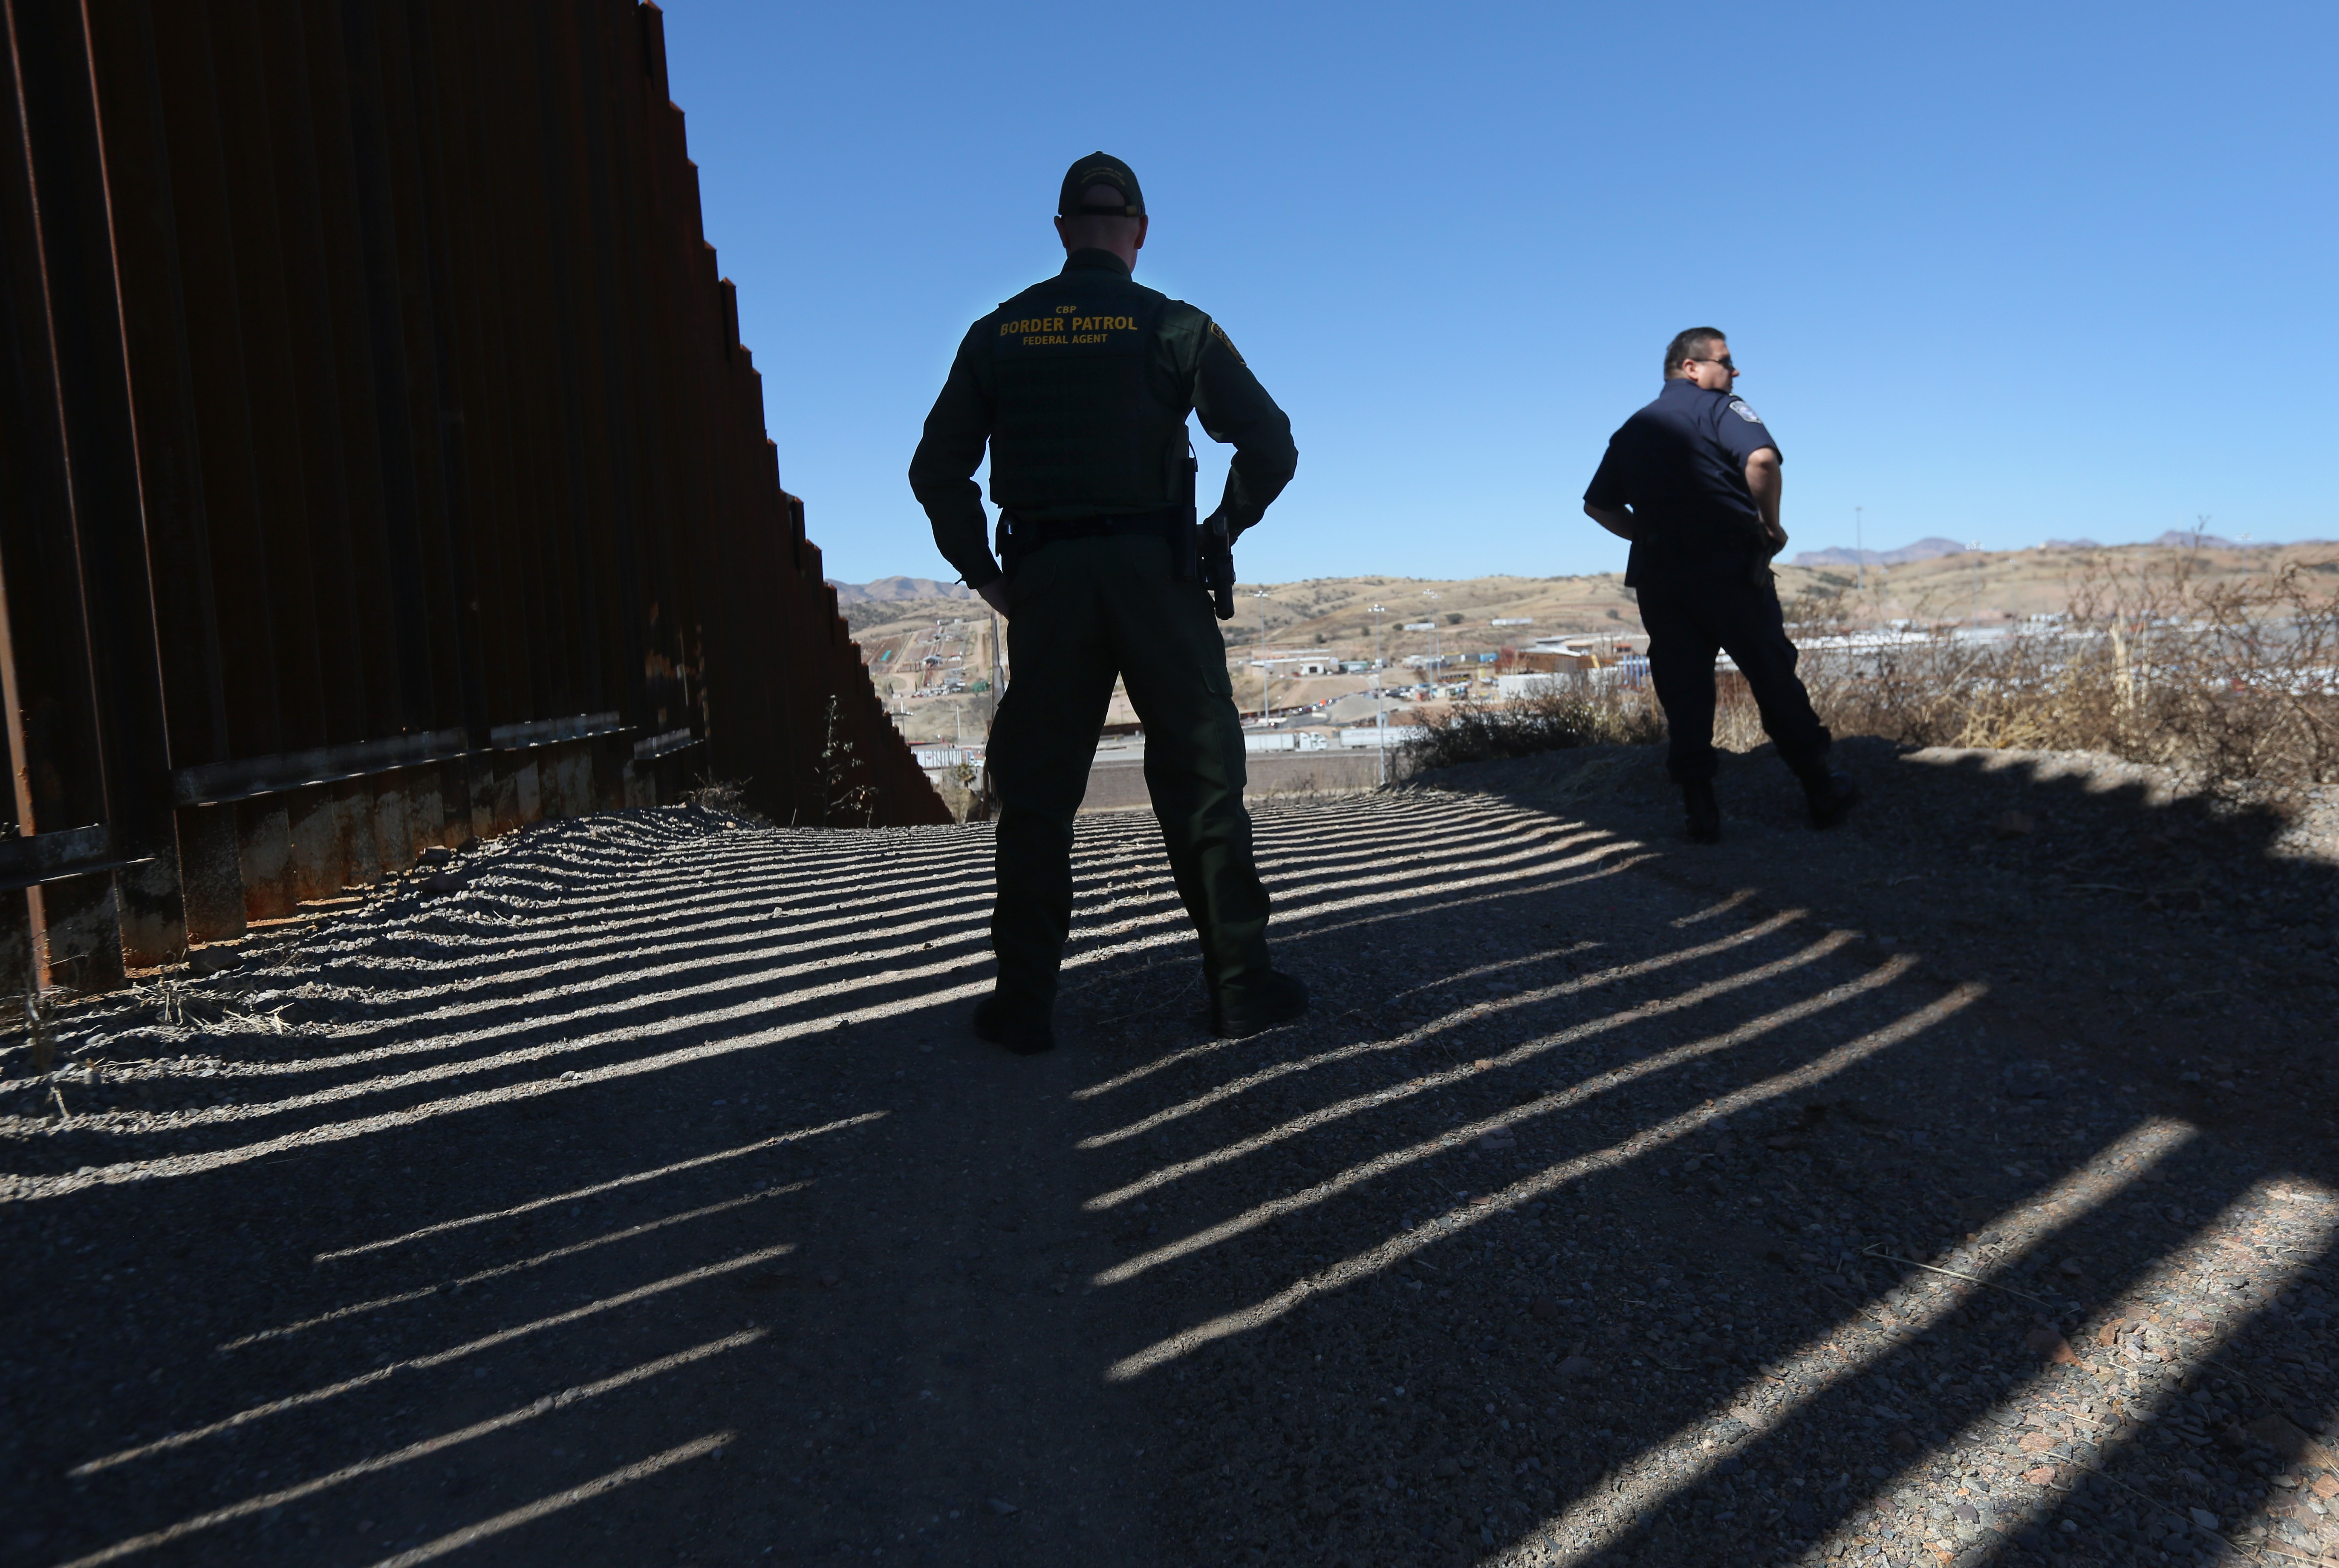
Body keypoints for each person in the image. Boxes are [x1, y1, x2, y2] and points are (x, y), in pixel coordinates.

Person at [908, 152, 1308, 1054]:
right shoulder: (1175, 326)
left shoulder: (995, 334)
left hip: (1045, 581)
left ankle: (1022, 1006)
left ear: (1059, 233)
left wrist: (985, 574)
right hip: (1156, 574)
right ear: (1138, 231)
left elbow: (936, 473)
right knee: (1202, 781)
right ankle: (1239, 986)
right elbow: (1270, 445)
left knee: (1039, 797)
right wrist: (1220, 530)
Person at [1581, 328, 1858, 842]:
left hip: (1661, 578)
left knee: (1683, 689)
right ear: (1691, 368)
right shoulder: (1722, 408)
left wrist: (1651, 533)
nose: (1734, 372)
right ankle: (1820, 788)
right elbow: (1761, 460)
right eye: (1725, 362)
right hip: (1727, 568)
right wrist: (1768, 522)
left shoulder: (1632, 430)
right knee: (1770, 672)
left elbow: (1597, 505)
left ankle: (1700, 811)